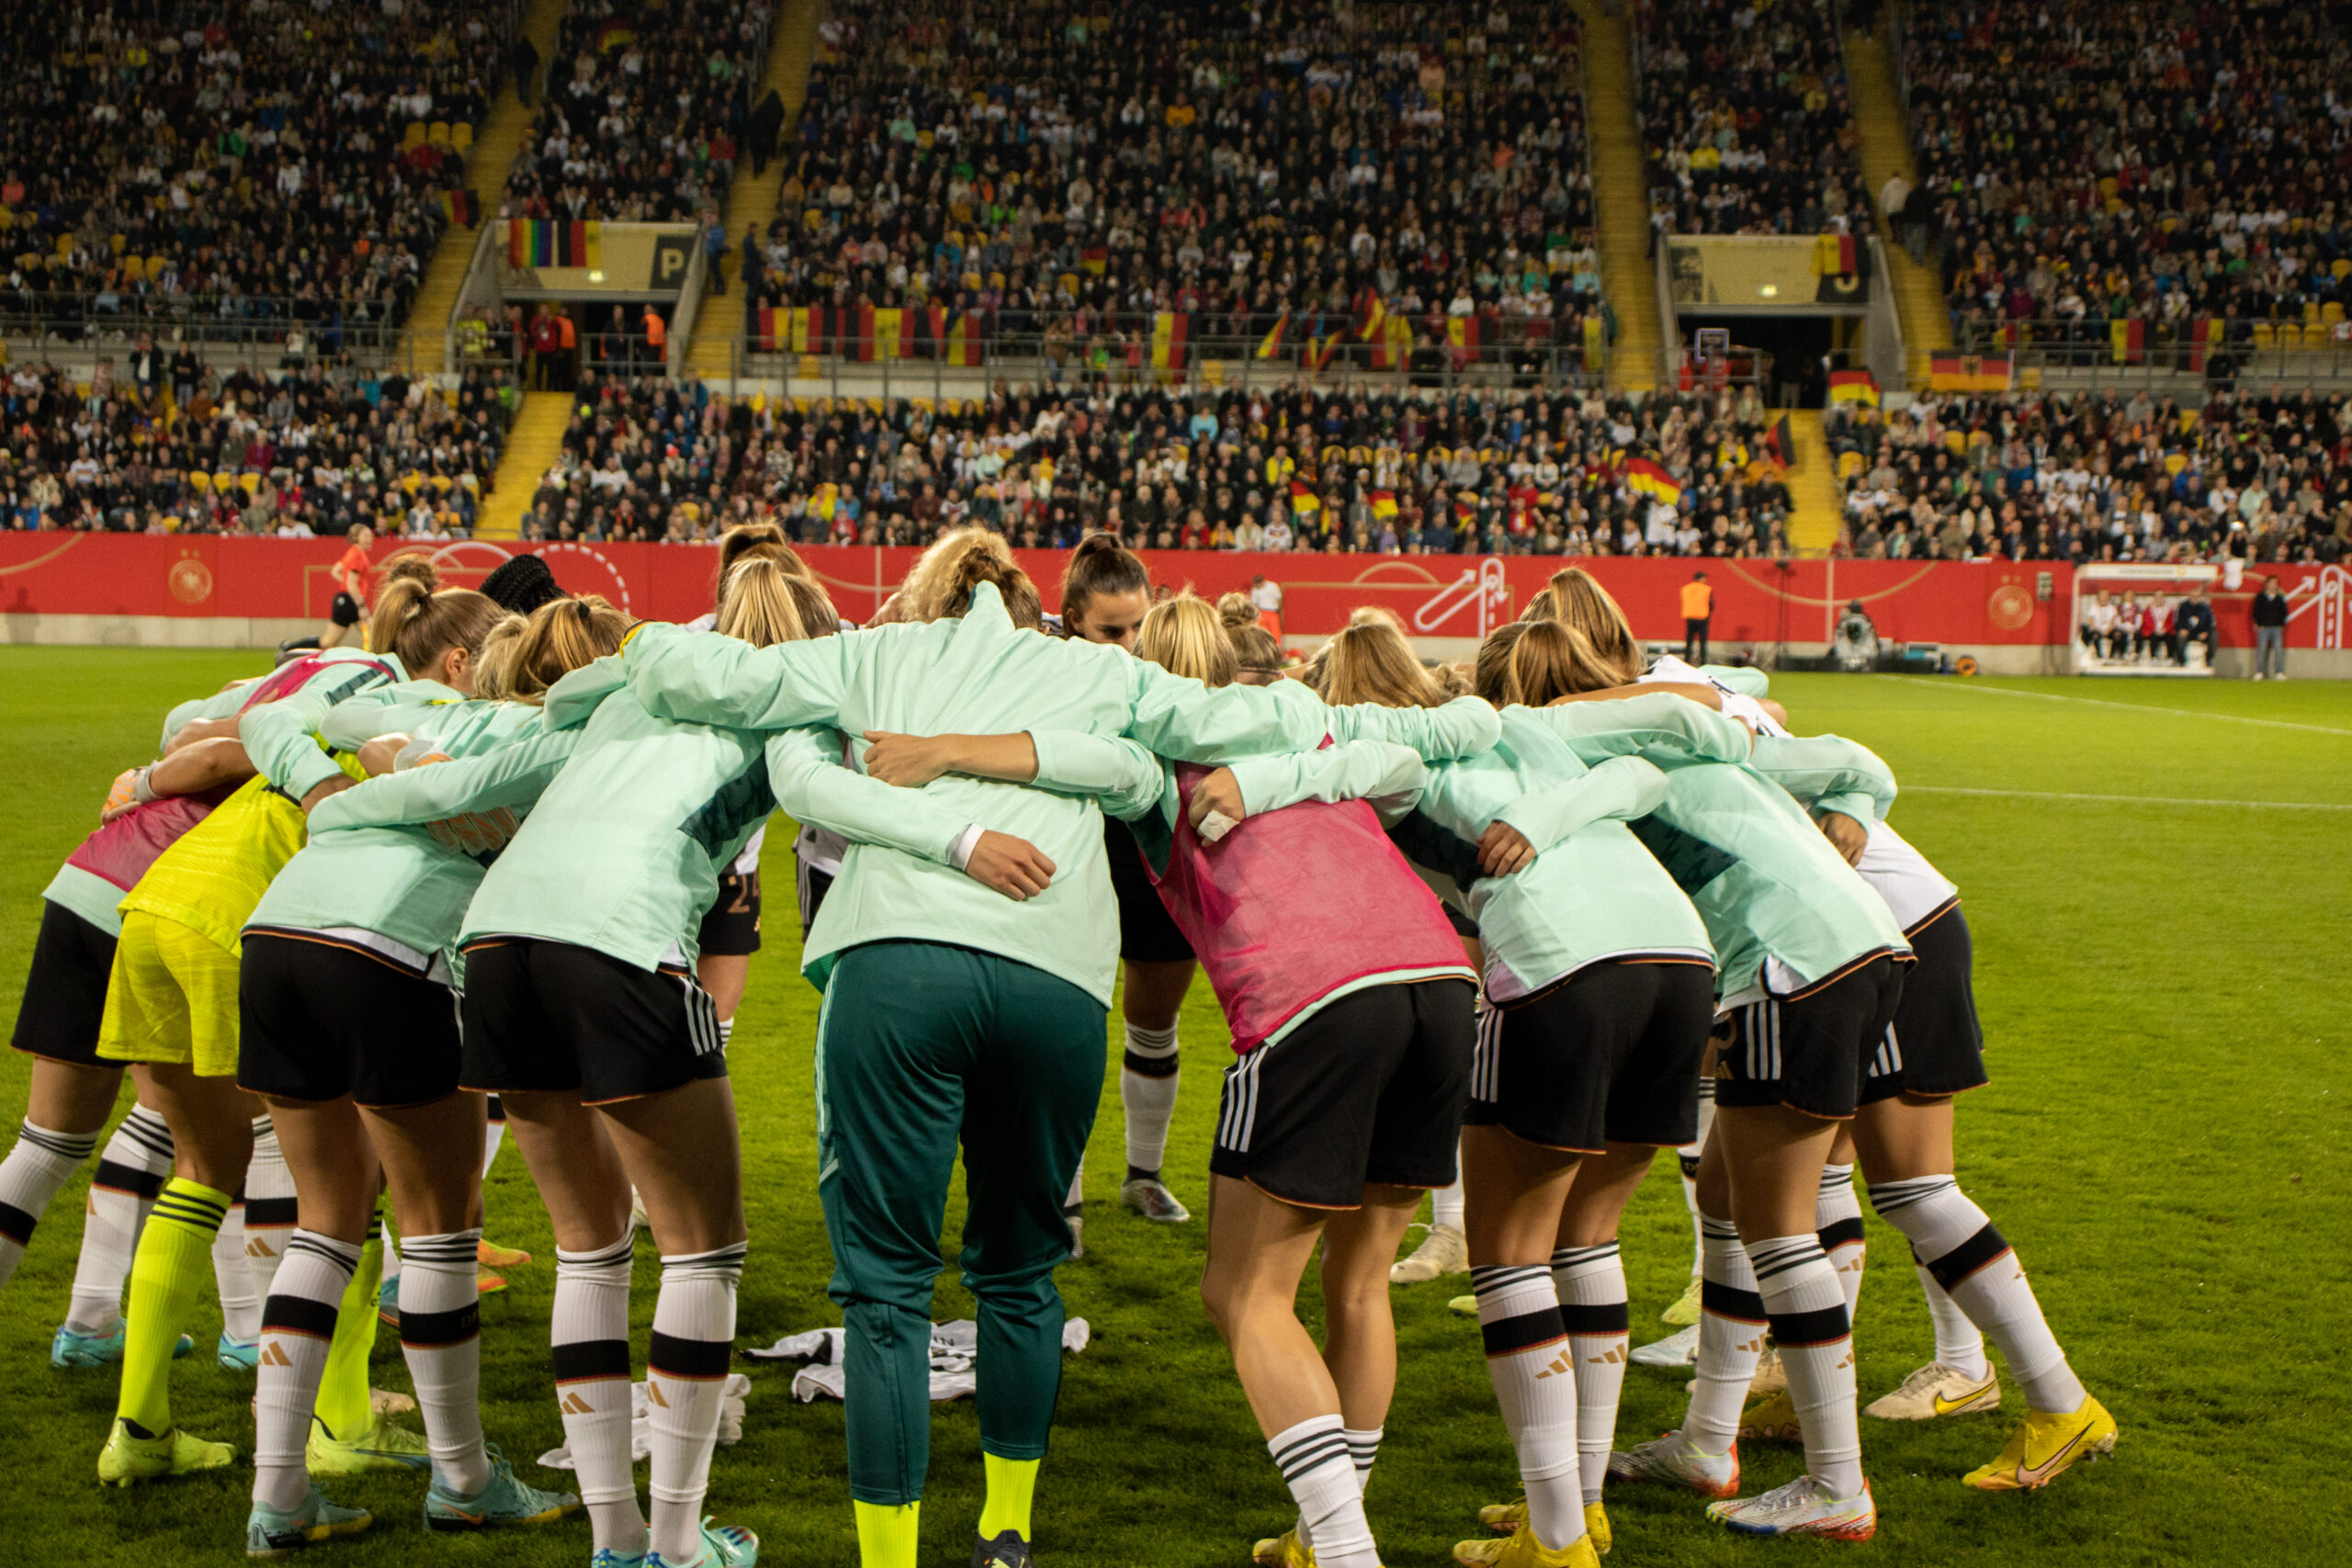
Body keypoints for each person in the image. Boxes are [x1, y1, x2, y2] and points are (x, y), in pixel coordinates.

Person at [610, 532, 1336, 1568]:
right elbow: (1258, 719)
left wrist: (631, 641)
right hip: (1055, 976)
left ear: (926, 598)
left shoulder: (870, 652)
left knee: (886, 1289)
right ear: (1028, 603)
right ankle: (1006, 1535)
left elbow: (702, 675)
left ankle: (891, 1558)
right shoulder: (1098, 671)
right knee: (1023, 1273)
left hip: (896, 964)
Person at [859, 599, 1498, 1568]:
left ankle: (1344, 1549)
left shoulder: (1151, 759)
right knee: (1360, 1282)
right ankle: (1321, 1535)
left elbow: (1058, 755)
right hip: (1440, 981)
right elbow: (1430, 745)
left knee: (1244, 1293)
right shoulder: (1309, 725)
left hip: (1312, 998)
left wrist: (940, 748)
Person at [90, 565, 502, 1486]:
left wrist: (143, 777)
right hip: (259, 926)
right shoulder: (421, 726)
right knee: (342, 1189)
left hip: (156, 906)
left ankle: (140, 1430)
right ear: (457, 660)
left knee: (202, 1169)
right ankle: (338, 1421)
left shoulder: (328, 702)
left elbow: (209, 737)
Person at [1363, 619, 1755, 1568]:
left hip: (1565, 968)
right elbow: (1648, 771)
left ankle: (1556, 1538)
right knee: (1588, 1237)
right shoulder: (1534, 732)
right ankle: (1580, 1507)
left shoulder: (1395, 759)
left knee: (1508, 1254)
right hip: (1680, 962)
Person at [232, 597, 618, 1551]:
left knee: (325, 1218)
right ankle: (464, 1479)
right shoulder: (561, 739)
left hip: (278, 932)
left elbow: (267, 714)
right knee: (440, 1228)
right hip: (390, 945)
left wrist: (331, 782)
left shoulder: (415, 704)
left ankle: (278, 1495)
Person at [4, 674, 268, 1368]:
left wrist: (147, 777)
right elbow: (211, 753)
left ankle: (92, 1317)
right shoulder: (357, 695)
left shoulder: (253, 688)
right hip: (172, 902)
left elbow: (184, 733)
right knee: (234, 1134)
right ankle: (249, 1330)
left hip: (90, 879)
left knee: (50, 1142)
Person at [1051, 535, 1196, 1229]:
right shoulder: (1041, 676)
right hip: (1071, 859)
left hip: (1152, 862)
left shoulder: (1164, 675)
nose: (1130, 644)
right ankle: (1064, 1199)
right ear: (1072, 619)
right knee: (1066, 1031)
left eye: (1139, 625)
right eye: (1113, 631)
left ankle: (1144, 1176)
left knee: (1155, 1026)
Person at [322, 524, 375, 649]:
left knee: (328, 642)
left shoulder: (352, 553)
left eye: (370, 536)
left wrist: (348, 583)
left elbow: (335, 571)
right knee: (372, 632)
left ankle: (290, 647)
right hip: (351, 601)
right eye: (365, 535)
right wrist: (361, 606)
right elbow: (351, 583)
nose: (369, 539)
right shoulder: (357, 556)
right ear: (356, 537)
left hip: (347, 600)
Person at [2251, 575, 2289, 678]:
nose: (2273, 585)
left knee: (2278, 650)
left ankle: (2279, 672)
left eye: (2275, 583)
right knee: (2261, 650)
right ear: (2267, 584)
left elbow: (2284, 612)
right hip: (2264, 628)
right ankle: (2259, 672)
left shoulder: (2279, 598)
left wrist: (2281, 624)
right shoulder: (2260, 597)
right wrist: (2259, 624)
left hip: (2277, 628)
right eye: (2271, 582)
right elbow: (2255, 611)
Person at [2172, 586, 2217, 668]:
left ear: (2200, 597)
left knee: (2214, 635)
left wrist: (2206, 632)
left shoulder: (2206, 607)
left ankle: (2208, 659)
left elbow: (2210, 623)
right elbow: (2177, 621)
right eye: (2193, 596)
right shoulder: (2182, 606)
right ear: (2189, 596)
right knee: (2180, 636)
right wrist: (2182, 629)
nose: (2195, 598)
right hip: (2187, 633)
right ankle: (2181, 661)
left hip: (2201, 633)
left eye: (2197, 596)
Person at [1679, 571, 1713, 663]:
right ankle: (1703, 660)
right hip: (1702, 617)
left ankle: (1687, 659)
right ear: (1701, 578)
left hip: (1690, 616)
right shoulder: (1706, 589)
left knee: (1689, 640)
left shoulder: (1686, 588)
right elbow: (1711, 603)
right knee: (1702, 641)